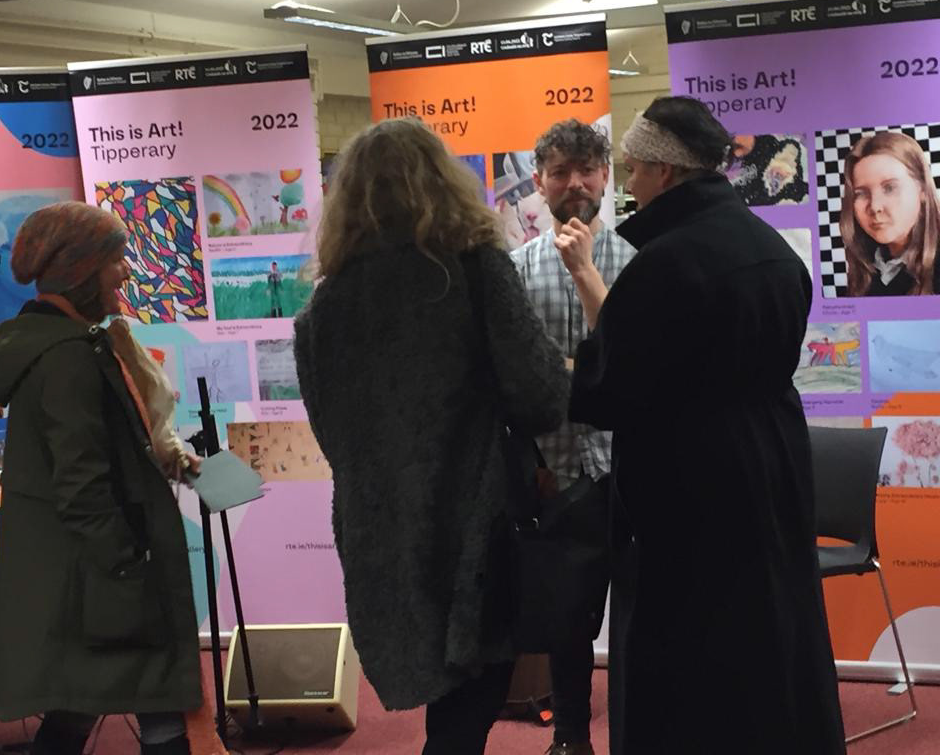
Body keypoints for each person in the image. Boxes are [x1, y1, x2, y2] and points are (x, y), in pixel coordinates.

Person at [568, 97, 846, 754]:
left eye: (634, 170)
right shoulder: (771, 249)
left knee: (692, 657)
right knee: (773, 630)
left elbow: (614, 391)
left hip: (689, 485)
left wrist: (568, 369)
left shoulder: (666, 264)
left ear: (665, 172)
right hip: (775, 464)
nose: (630, 185)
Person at [293, 118, 569, 755]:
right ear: (444, 182)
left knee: (446, 702)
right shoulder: (474, 270)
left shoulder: (323, 309)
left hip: (382, 528)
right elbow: (541, 398)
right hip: (476, 520)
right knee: (469, 703)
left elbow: (331, 435)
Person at [0, 201, 222, 755]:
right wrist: (126, 564)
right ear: (81, 269)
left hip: (89, 574)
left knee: (84, 701)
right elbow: (81, 484)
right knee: (152, 695)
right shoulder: (68, 358)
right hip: (101, 575)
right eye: (116, 259)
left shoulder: (65, 345)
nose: (126, 272)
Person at [510, 119, 635, 755]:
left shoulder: (639, 264)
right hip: (553, 471)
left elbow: (634, 366)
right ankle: (570, 740)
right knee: (566, 622)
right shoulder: (514, 271)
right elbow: (511, 376)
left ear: (606, 176)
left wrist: (565, 369)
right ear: (539, 182)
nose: (576, 183)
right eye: (560, 172)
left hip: (630, 468)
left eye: (587, 170)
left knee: (641, 617)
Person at [840, 130, 940, 296]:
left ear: (922, 188)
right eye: (861, 193)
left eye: (890, 188)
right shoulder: (865, 268)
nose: (875, 207)